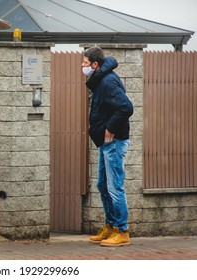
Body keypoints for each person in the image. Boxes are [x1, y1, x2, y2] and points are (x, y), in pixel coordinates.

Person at [82, 47, 133, 246]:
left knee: (114, 187)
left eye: (85, 63)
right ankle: (111, 226)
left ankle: (122, 231)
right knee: (102, 185)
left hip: (114, 142)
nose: (83, 67)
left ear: (95, 65)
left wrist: (110, 128)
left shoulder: (108, 81)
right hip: (106, 143)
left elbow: (126, 107)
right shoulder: (100, 81)